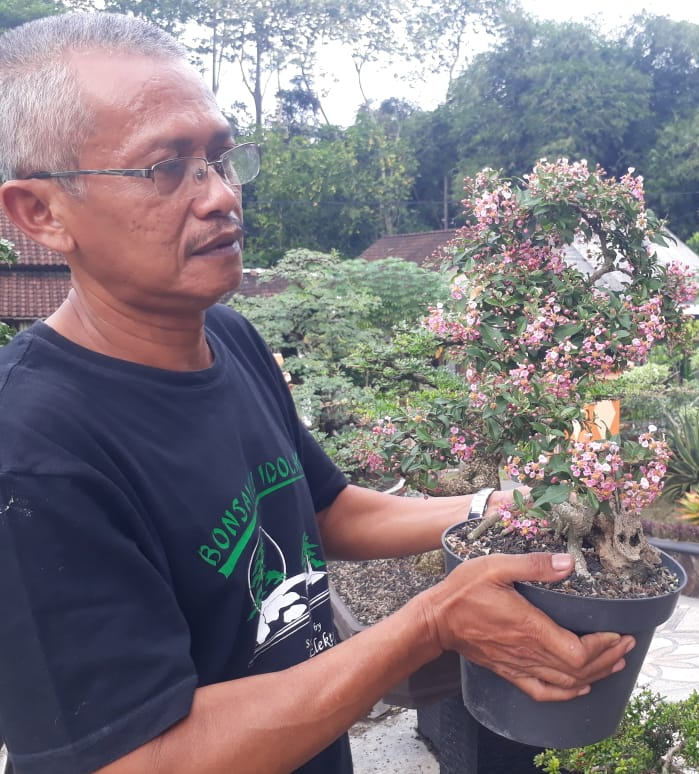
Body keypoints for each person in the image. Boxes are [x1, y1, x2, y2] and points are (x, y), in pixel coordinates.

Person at [0, 12, 634, 774]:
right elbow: (136, 759)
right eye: (166, 168)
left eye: (222, 158)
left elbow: (325, 509)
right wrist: (432, 622)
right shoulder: (34, 455)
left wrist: (494, 508)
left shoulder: (225, 337)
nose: (221, 197)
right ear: (41, 213)